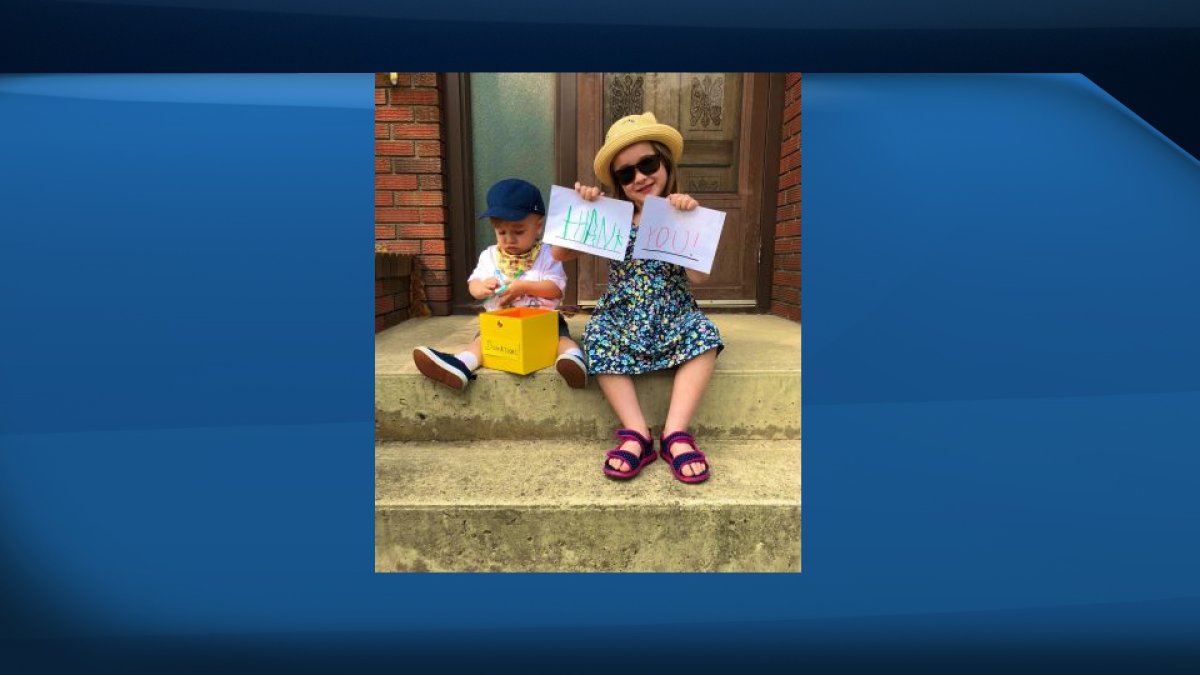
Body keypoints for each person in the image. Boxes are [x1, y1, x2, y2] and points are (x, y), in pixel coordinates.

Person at [551, 112, 723, 484]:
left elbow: (698, 275)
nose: (640, 177)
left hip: (674, 313)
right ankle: (637, 434)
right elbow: (559, 255)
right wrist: (585, 208)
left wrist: (685, 220)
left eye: (647, 164)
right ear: (618, 183)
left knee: (705, 335)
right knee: (596, 336)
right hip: (623, 315)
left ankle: (676, 434)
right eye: (626, 174)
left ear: (665, 162)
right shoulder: (612, 218)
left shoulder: (681, 212)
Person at [412, 178, 587, 390]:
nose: (509, 239)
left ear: (538, 226)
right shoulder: (490, 256)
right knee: (482, 342)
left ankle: (573, 359)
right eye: (501, 232)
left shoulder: (547, 254)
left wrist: (522, 287)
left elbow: (555, 288)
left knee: (560, 338)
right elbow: (474, 285)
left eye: (518, 231)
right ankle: (461, 365)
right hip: (502, 323)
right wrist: (482, 287)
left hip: (541, 322)